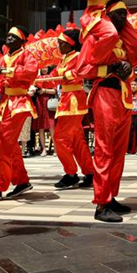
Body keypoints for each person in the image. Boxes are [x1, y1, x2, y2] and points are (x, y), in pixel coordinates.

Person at [76, 0, 137, 223]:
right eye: (117, 14)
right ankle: (101, 203)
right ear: (107, 16)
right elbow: (82, 69)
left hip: (124, 97)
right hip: (105, 94)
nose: (122, 18)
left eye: (125, 14)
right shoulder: (95, 38)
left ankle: (111, 196)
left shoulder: (124, 41)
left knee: (118, 152)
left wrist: (128, 71)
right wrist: (111, 68)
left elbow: (129, 71)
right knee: (104, 149)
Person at [0, 26, 38, 203]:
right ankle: (22, 181)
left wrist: (9, 71)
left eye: (13, 37)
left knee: (3, 145)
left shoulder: (27, 55)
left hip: (19, 103)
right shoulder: (3, 59)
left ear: (22, 41)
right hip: (6, 104)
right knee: (10, 144)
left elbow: (30, 72)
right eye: (8, 36)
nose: (9, 39)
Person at [51, 29, 94, 189]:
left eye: (61, 43)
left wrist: (67, 76)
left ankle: (71, 173)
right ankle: (90, 172)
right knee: (77, 140)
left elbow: (82, 71)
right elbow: (52, 78)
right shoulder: (64, 59)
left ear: (70, 45)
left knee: (60, 138)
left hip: (73, 102)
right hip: (67, 101)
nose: (58, 45)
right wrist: (32, 79)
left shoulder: (78, 57)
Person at [128, 80, 137, 154]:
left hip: (136, 115)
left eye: (135, 85)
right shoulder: (127, 95)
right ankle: (128, 149)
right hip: (129, 116)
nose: (133, 86)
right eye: (132, 84)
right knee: (128, 133)